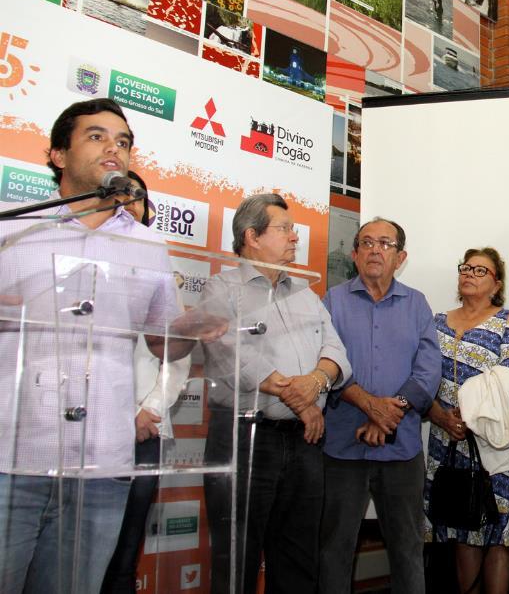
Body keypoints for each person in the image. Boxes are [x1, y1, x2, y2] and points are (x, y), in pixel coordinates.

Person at [0, 98, 179, 593]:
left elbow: (168, 343)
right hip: (10, 460)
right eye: (97, 137)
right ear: (58, 153)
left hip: (102, 466)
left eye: (123, 142)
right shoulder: (11, 228)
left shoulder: (148, 246)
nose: (114, 150)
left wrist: (196, 332)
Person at [202, 193, 349, 594]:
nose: (294, 238)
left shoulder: (305, 293)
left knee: (299, 558)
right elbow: (227, 351)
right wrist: (300, 399)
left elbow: (335, 352)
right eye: (284, 229)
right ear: (252, 236)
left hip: (304, 442)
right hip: (246, 438)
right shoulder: (221, 288)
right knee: (237, 559)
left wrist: (316, 384)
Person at [320, 217, 441, 594]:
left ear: (400, 256)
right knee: (334, 549)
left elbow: (428, 370)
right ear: (355, 254)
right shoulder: (332, 301)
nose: (375, 250)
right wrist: (371, 405)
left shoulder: (417, 303)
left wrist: (390, 413)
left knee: (407, 548)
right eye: (367, 243)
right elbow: (324, 362)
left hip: (401, 448)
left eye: (385, 244)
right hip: (341, 448)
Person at [424, 247, 509, 594]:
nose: (470, 274)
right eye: (466, 268)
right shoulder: (436, 322)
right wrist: (441, 417)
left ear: (496, 283)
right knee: (464, 532)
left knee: (499, 535)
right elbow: (420, 377)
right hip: (449, 439)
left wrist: (470, 412)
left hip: (496, 442)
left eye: (480, 270)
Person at [101, 170, 192, 594]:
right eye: (116, 195)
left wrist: (149, 408)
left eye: (135, 197)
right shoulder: (77, 262)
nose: (125, 204)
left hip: (143, 430)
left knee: (124, 555)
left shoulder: (161, 269)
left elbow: (178, 354)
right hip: (84, 426)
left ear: (146, 208)